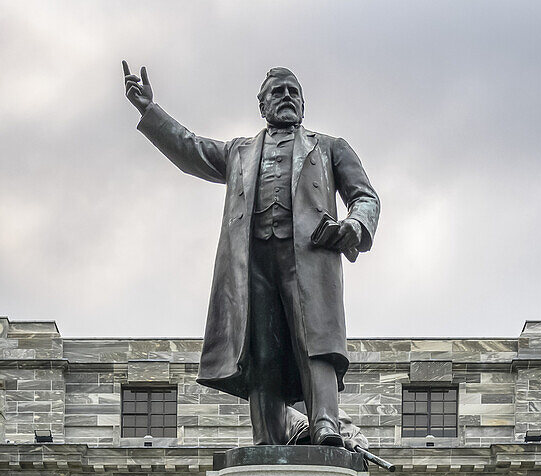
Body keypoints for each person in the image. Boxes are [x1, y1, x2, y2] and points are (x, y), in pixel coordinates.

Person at [123, 63, 379, 448]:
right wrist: (150, 111)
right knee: (261, 347)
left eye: (294, 92)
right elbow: (191, 148)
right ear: (262, 106)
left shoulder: (329, 148)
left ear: (304, 105)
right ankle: (268, 435)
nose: (288, 98)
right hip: (252, 262)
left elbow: (365, 197)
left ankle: (326, 425)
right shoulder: (239, 152)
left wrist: (355, 226)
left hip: (309, 259)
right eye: (278, 92)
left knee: (316, 340)